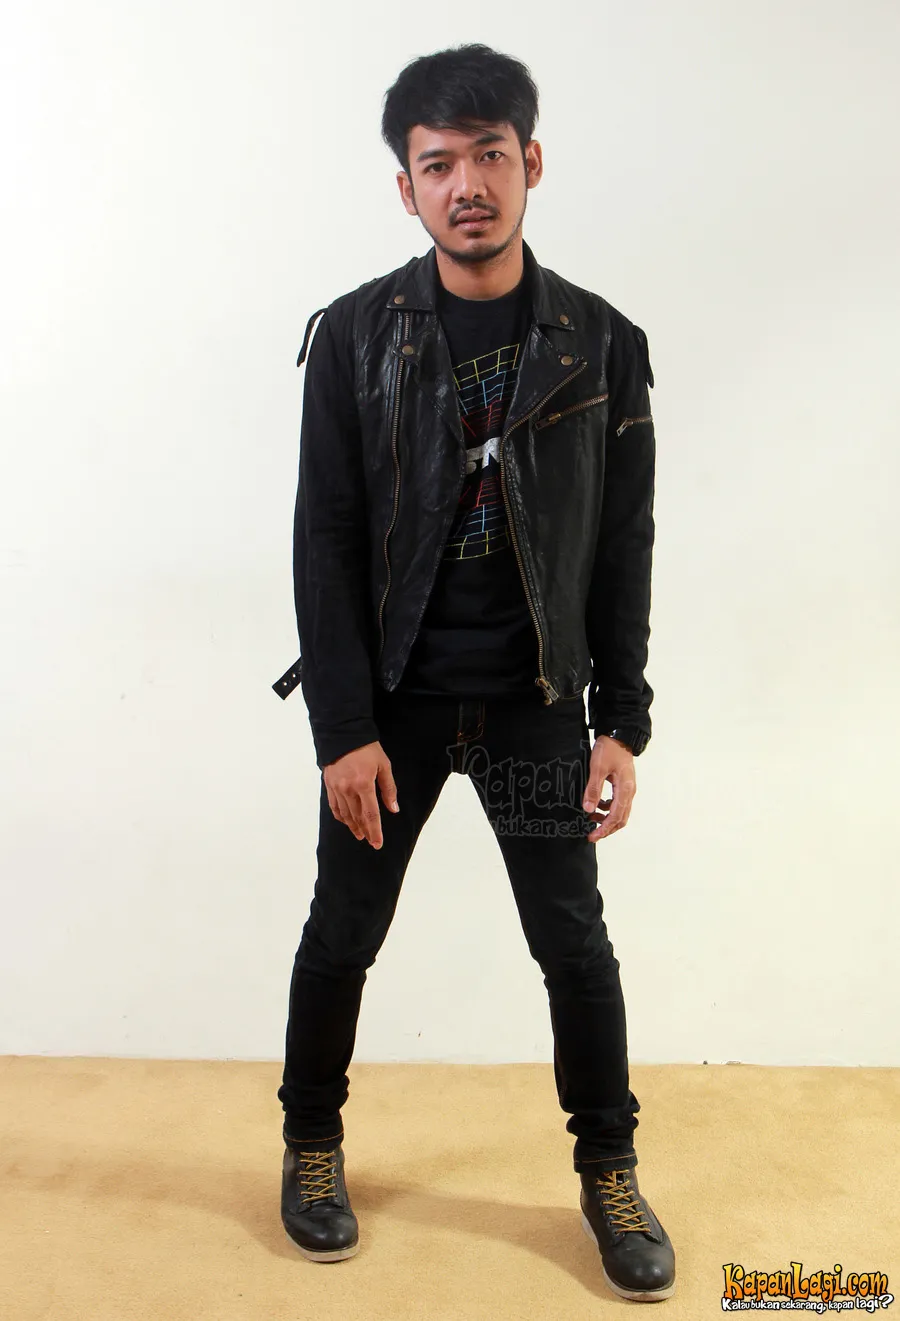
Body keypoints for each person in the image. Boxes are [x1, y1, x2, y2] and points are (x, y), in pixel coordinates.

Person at [271, 43, 675, 1302]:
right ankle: (311, 1145)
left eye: (489, 155)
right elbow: (325, 540)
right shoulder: (354, 336)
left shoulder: (600, 343)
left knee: (574, 946)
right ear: (406, 186)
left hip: (534, 703)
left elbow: (622, 541)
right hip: (390, 705)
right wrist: (341, 726)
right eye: (438, 164)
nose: (467, 186)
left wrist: (622, 720)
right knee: (344, 931)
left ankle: (610, 1171)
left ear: (531, 162)